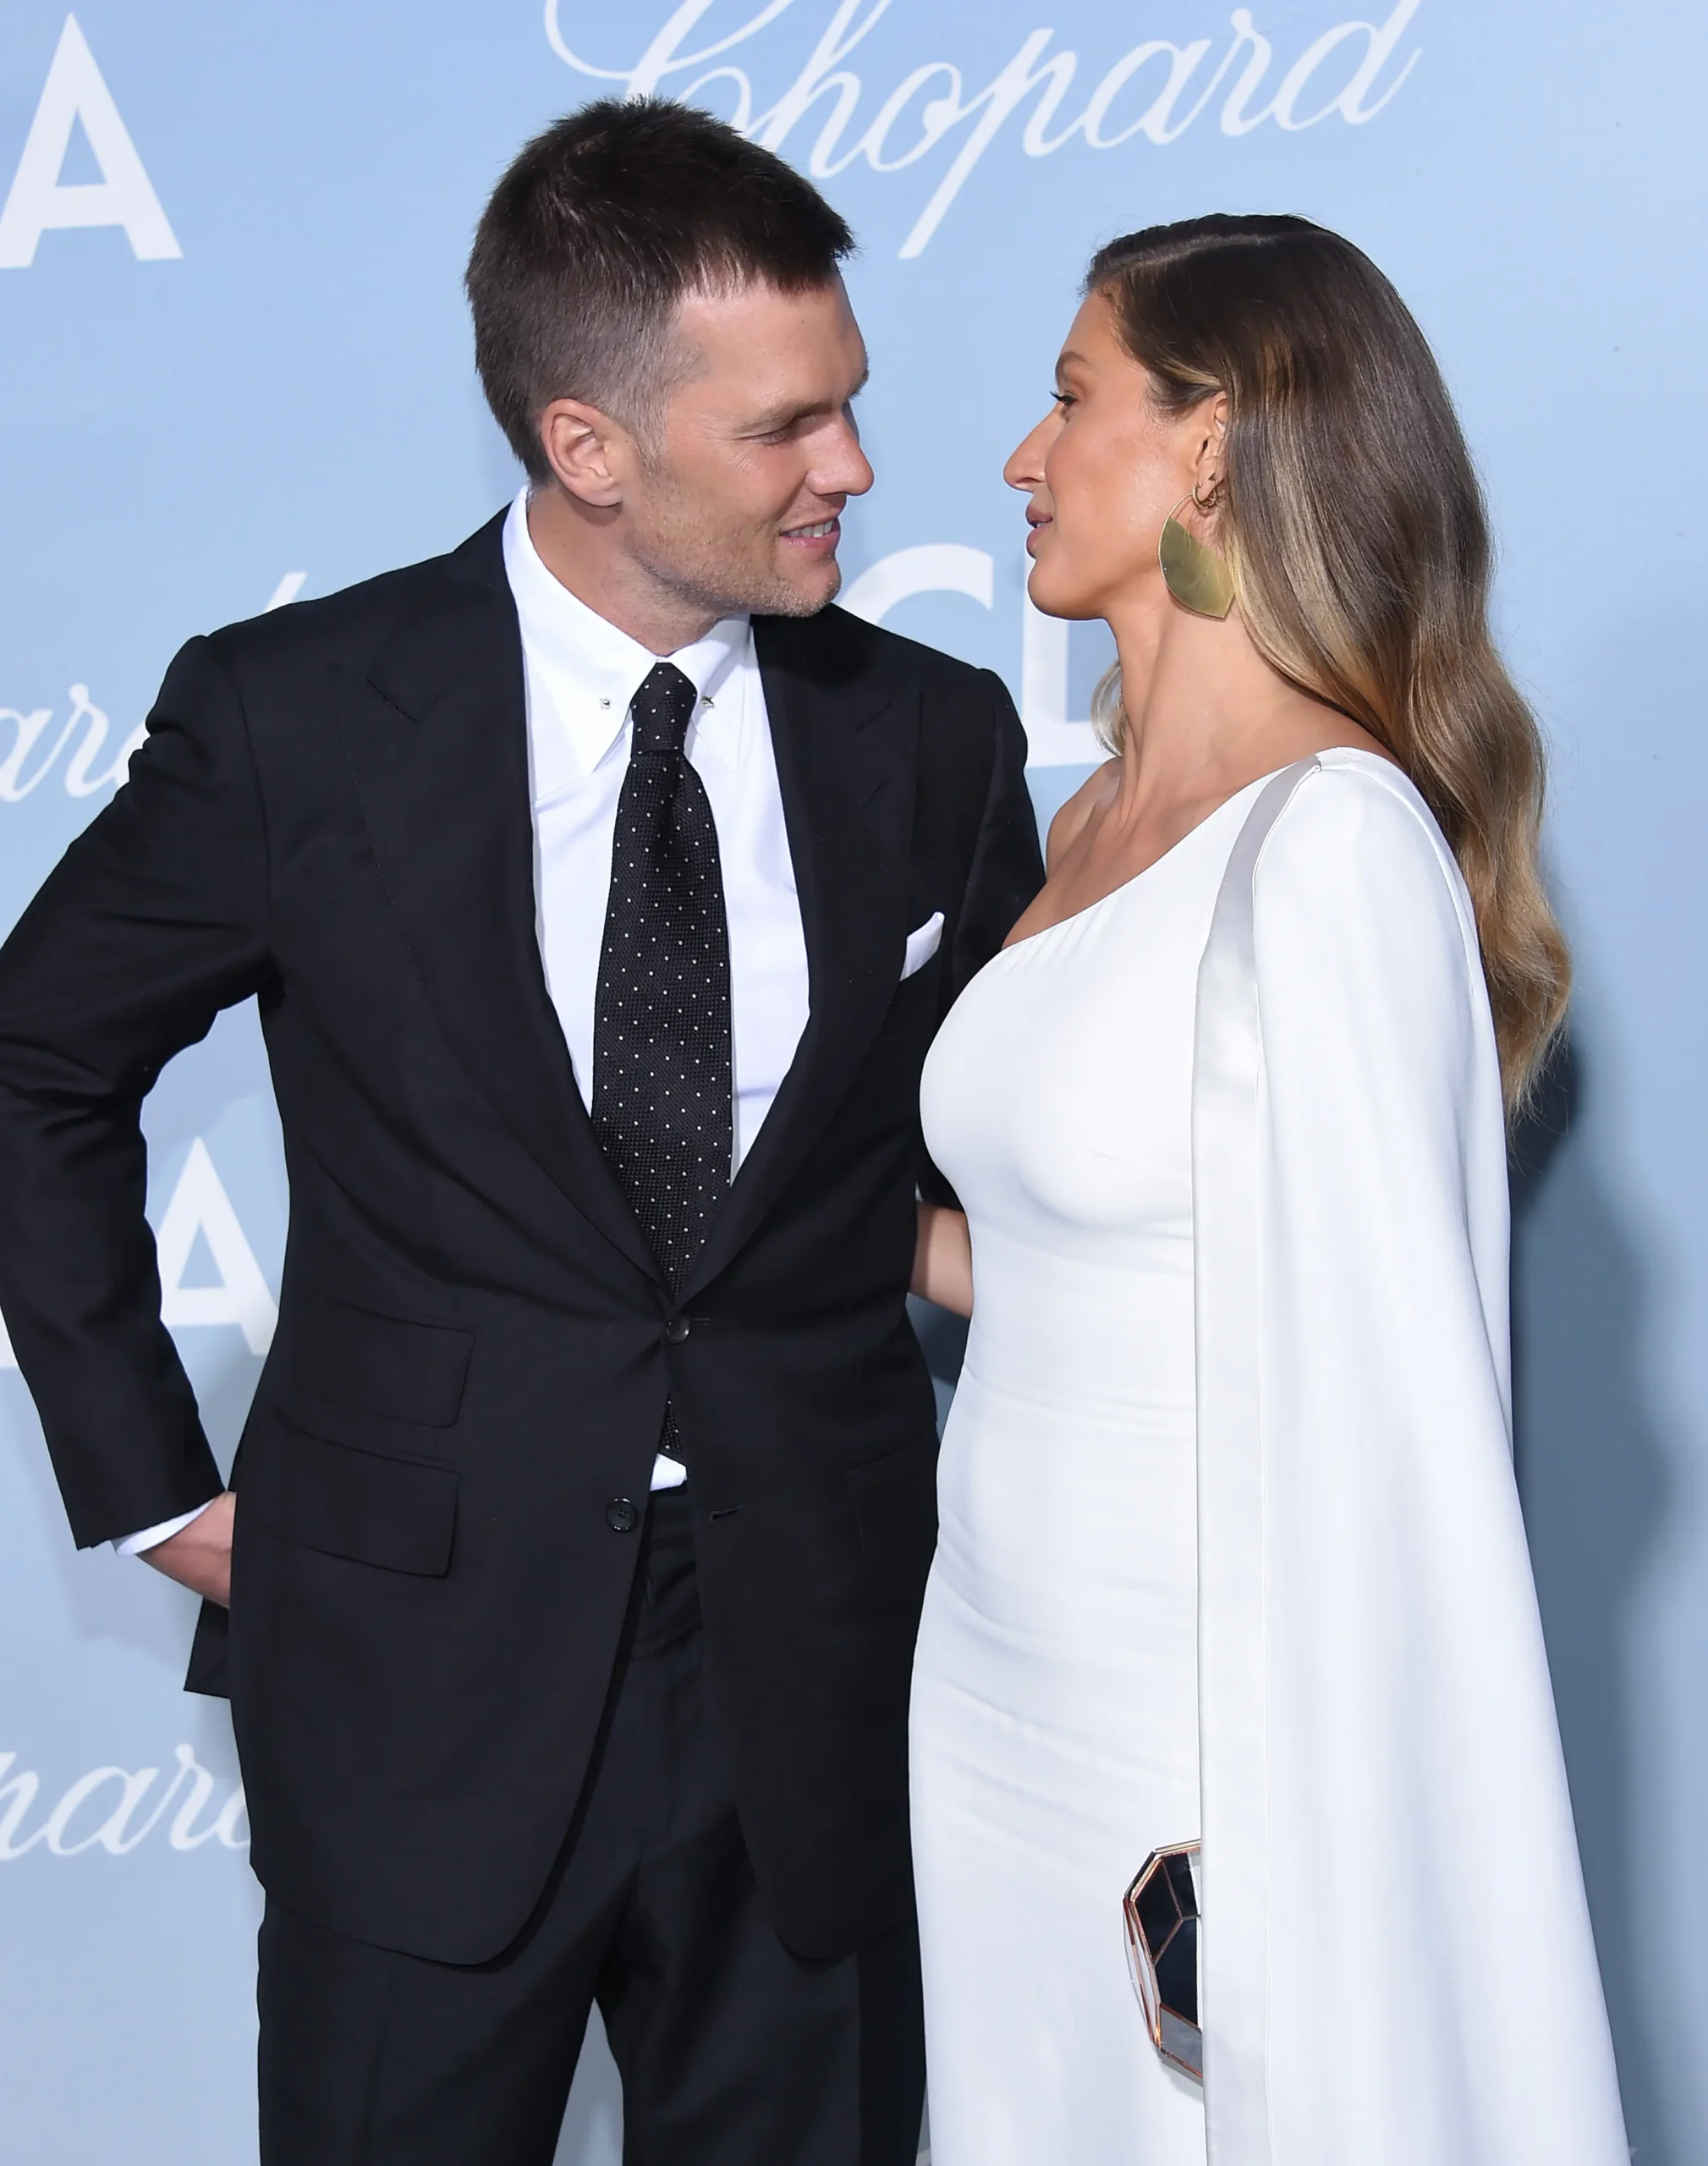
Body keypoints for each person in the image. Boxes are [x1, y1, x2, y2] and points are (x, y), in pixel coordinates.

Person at [0, 101, 1041, 2166]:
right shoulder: (298, 715)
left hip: (816, 1669)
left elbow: (981, 1146)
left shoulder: (929, 733)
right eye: (787, 425)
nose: (852, 466)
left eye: (849, 402)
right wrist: (145, 1482)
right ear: (588, 444)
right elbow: (34, 1060)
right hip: (411, 1669)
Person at [907, 215, 1630, 2166]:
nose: (1022, 456)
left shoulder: (1331, 848)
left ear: (1211, 445)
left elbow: (1390, 1431)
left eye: (1071, 397)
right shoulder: (1084, 821)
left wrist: (1303, 1842)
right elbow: (1089, 1265)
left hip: (1195, 1726)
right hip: (990, 1684)